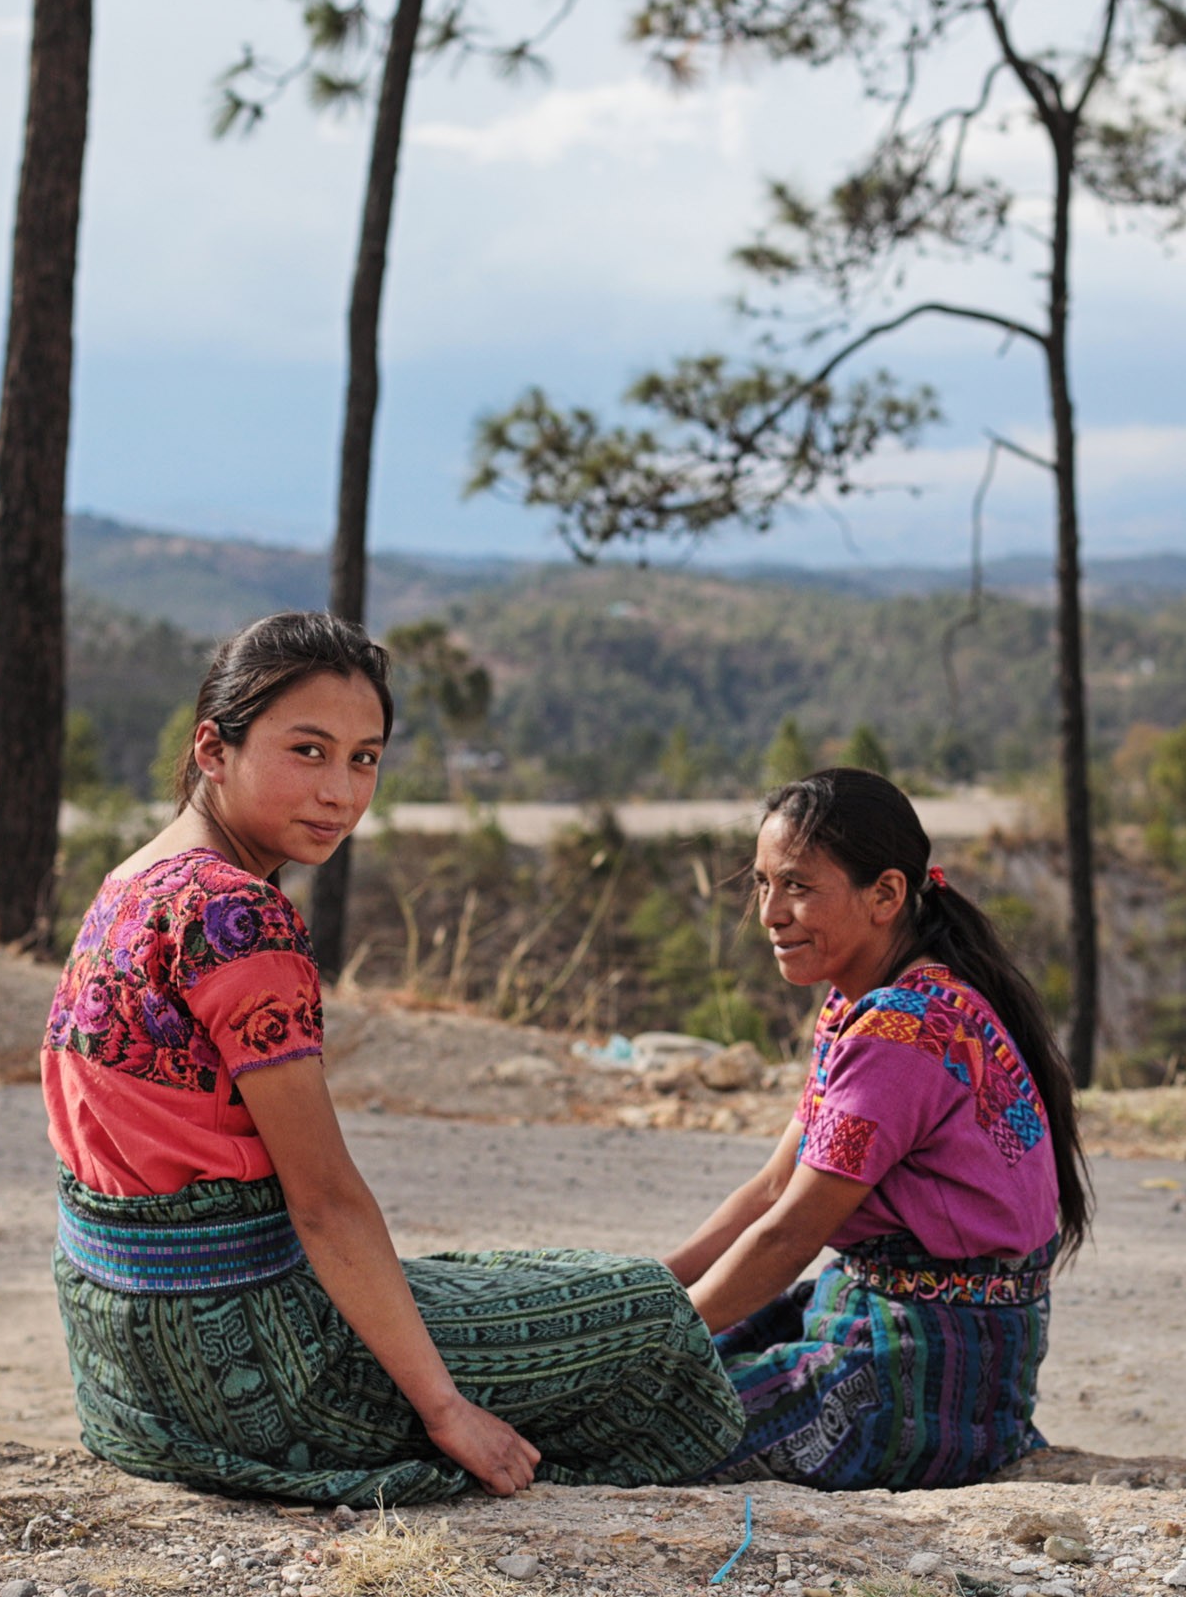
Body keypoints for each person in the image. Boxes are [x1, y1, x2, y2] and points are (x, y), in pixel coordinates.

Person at [43, 611, 741, 1505]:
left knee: (497, 1276)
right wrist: (447, 1411)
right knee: (645, 1306)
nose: (340, 792)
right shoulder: (237, 917)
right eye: (308, 751)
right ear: (213, 749)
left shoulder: (129, 884)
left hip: (123, 1371)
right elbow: (326, 1203)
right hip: (258, 1372)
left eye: (363, 759)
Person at [665, 766, 1092, 1490]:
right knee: (676, 1356)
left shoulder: (901, 1030)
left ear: (887, 895)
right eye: (763, 884)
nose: (770, 913)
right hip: (885, 1322)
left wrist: (645, 1345)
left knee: (640, 1420)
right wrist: (649, 1297)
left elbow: (788, 1234)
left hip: (917, 1369)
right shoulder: (865, 1003)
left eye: (798, 886)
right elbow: (771, 1189)